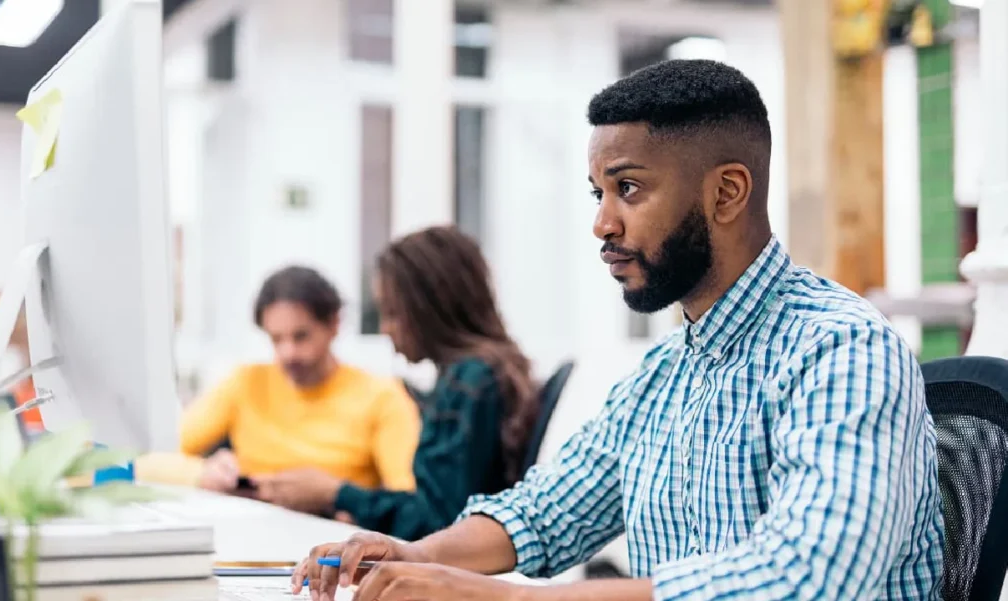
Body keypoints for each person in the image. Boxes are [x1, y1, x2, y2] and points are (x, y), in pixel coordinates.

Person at [294, 60, 944, 601]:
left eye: (627, 188)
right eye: (596, 193)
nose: (602, 223)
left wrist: (514, 597)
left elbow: (810, 574)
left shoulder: (842, 348)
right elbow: (549, 509)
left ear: (726, 194)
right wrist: (412, 554)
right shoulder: (664, 372)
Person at [251, 226, 540, 541]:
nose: (386, 329)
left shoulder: (471, 383)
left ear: (429, 310)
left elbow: (437, 523)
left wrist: (337, 494)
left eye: (392, 313)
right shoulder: (480, 375)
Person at [177, 265, 421, 497]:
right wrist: (201, 473)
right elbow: (155, 454)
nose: (288, 353)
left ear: (334, 324)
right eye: (276, 339)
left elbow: (407, 496)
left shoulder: (382, 396)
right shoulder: (245, 383)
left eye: (301, 336)